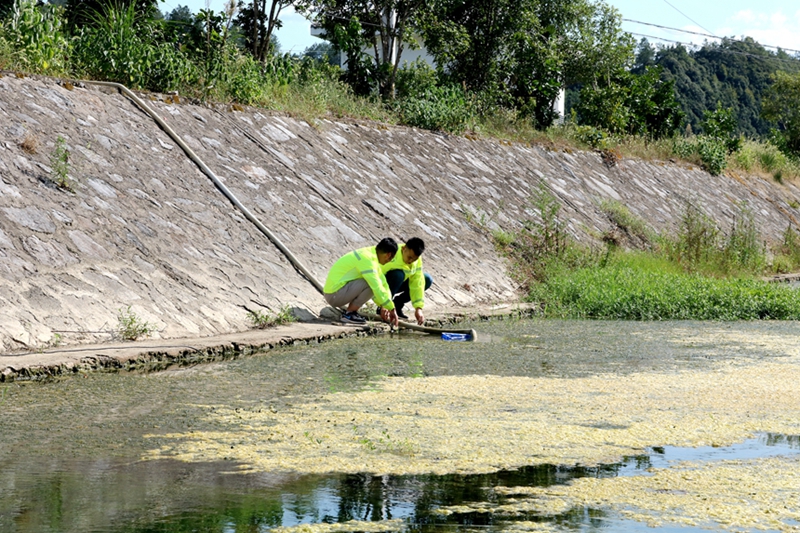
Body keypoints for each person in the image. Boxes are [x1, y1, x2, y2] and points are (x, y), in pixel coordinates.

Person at [323, 238, 400, 326]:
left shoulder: (371, 256)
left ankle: (351, 312)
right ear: (388, 255)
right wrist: (391, 309)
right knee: (370, 283)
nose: (389, 262)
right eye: (391, 259)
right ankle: (349, 314)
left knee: (373, 282)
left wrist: (385, 305)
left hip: (337, 292)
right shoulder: (367, 260)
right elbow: (376, 286)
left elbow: (383, 284)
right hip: (334, 295)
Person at [381, 237, 432, 325]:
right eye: (409, 257)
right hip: (382, 286)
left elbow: (417, 283)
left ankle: (397, 305)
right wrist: (384, 303)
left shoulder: (416, 260)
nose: (411, 261)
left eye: (414, 259)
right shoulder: (391, 254)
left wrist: (418, 308)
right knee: (398, 275)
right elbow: (376, 277)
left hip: (399, 284)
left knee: (427, 279)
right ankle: (384, 308)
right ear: (404, 248)